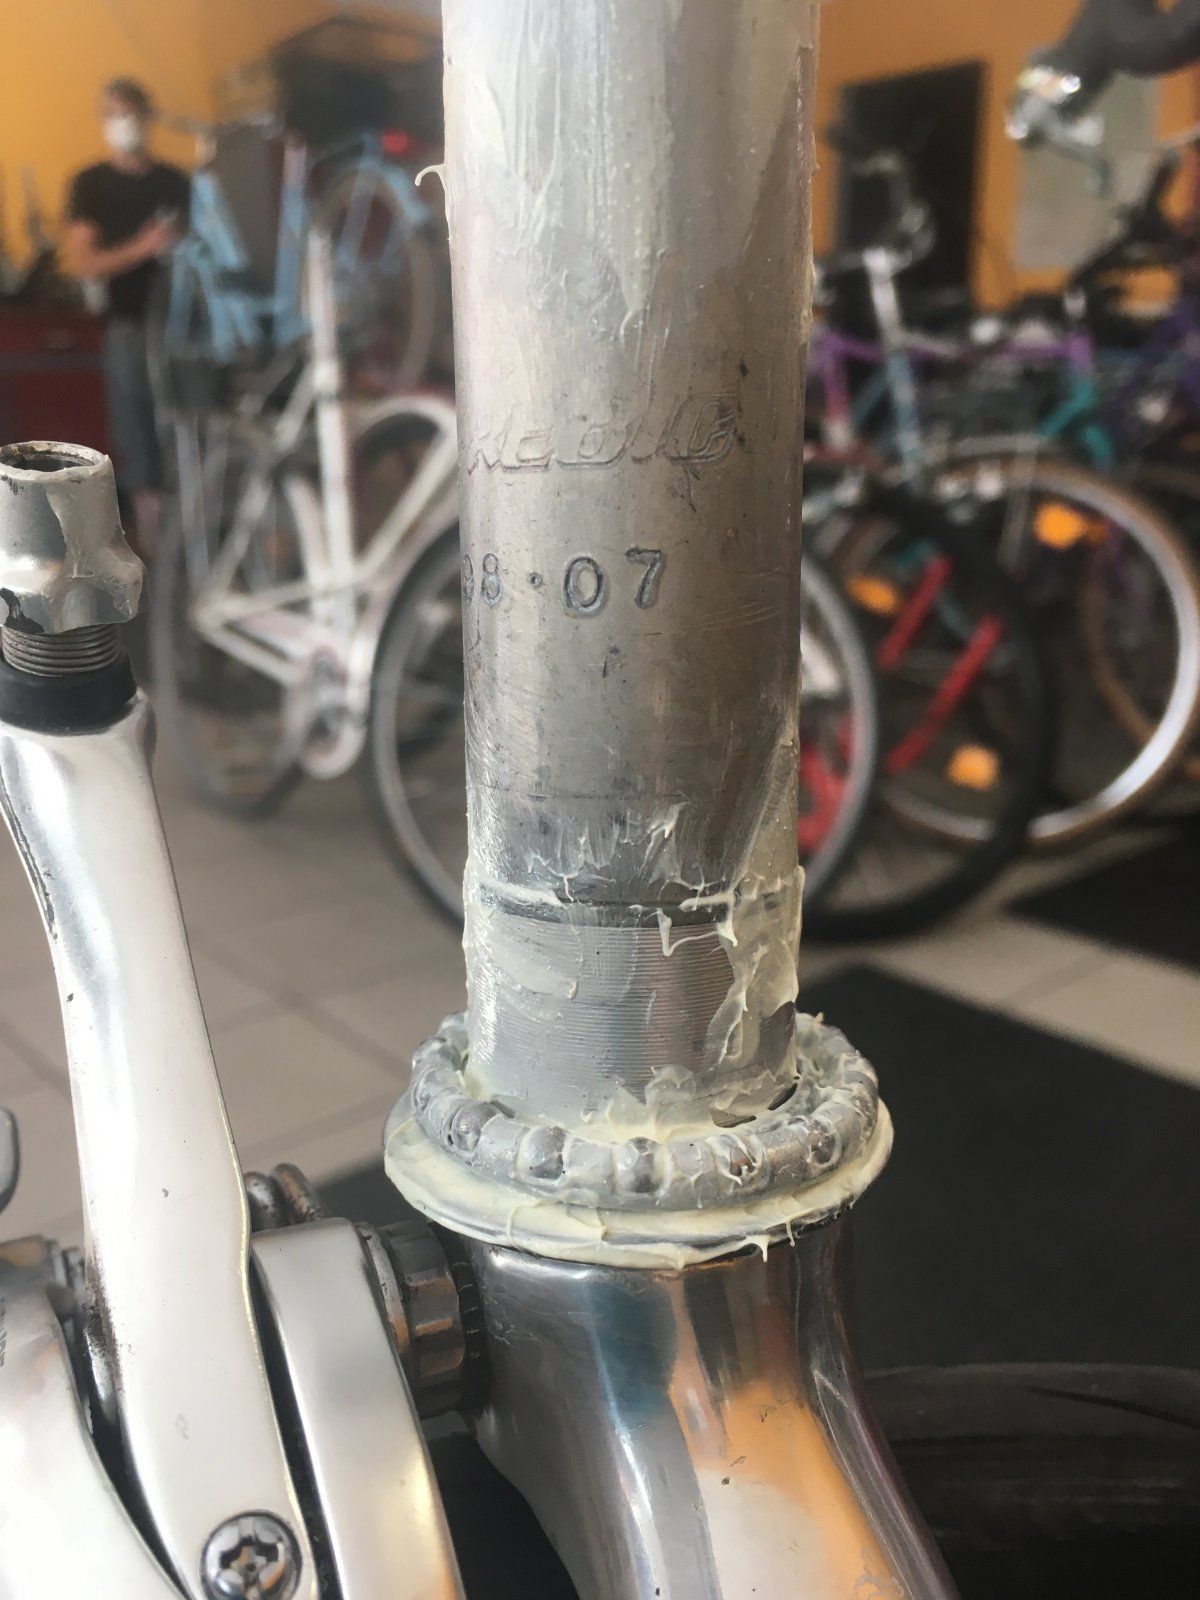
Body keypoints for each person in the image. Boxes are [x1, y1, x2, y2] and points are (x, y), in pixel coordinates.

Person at [63, 78, 190, 554]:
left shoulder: (175, 182)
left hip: (181, 327)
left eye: (129, 114)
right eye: (112, 114)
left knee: (182, 427)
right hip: (128, 325)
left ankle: (190, 536)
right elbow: (82, 262)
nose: (122, 124)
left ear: (147, 118)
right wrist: (144, 247)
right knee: (136, 432)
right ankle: (153, 543)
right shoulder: (91, 184)